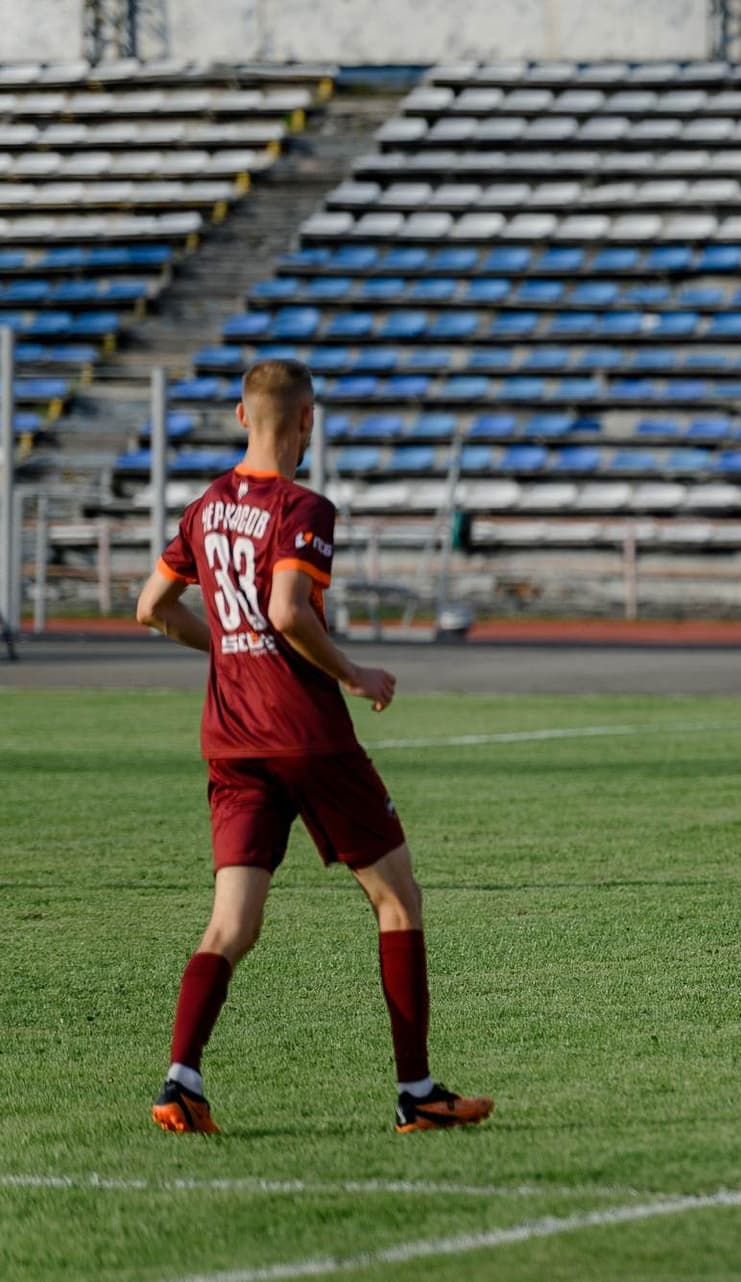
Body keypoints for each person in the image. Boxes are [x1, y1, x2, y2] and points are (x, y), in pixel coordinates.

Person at [134, 358, 493, 1134]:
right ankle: (417, 1092)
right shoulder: (303, 507)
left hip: (232, 741)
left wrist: (228, 649)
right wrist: (356, 673)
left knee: (232, 925)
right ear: (307, 421)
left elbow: (151, 607)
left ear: (241, 416)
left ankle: (180, 1080)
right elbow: (289, 611)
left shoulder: (205, 507)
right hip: (305, 735)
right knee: (397, 899)